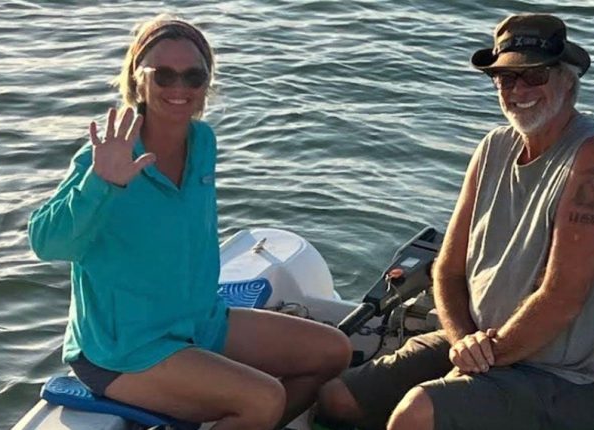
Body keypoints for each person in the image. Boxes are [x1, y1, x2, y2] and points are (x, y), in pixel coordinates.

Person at [317, 13, 594, 430]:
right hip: (484, 340)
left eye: (534, 76)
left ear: (568, 80)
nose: (519, 90)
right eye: (506, 78)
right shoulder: (494, 147)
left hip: (567, 376)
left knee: (417, 412)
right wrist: (463, 343)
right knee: (337, 398)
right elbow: (448, 269)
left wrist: (479, 361)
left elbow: (562, 298)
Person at [28, 15, 351, 430]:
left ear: (206, 83)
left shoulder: (203, 141)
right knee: (263, 399)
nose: (179, 88)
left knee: (333, 352)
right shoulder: (109, 155)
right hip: (123, 349)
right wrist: (101, 183)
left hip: (200, 321)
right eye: (163, 75)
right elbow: (46, 243)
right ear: (137, 79)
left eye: (193, 76)